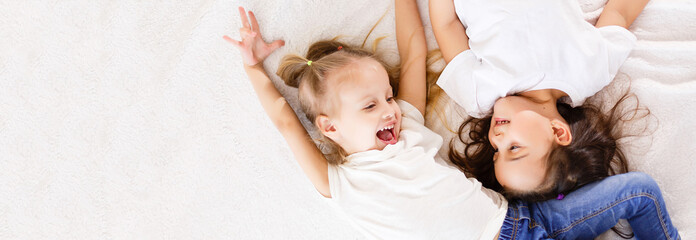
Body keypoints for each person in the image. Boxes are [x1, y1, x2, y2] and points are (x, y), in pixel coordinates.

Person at [224, 1, 679, 239]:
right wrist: (252, 68)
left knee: (639, 191)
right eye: (371, 107)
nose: (389, 109)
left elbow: (416, 49)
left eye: (386, 96)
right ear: (330, 129)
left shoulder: (407, 125)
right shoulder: (335, 182)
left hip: (528, 227)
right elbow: (286, 121)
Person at [430, 0, 655, 201]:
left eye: (496, 151)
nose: (497, 139)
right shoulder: (589, 73)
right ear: (558, 132)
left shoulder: (479, 95)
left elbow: (446, 24)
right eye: (514, 148)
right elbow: (620, 12)